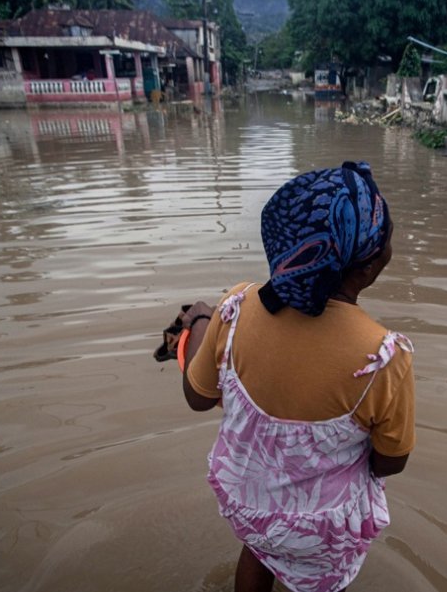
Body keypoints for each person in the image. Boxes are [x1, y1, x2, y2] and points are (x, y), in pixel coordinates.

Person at [174, 161, 415, 592]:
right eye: (388, 236)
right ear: (367, 267)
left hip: (249, 505)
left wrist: (201, 322)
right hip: (321, 528)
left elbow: (197, 397)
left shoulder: (235, 308)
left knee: (260, 549)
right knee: (323, 570)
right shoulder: (383, 357)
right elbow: (390, 463)